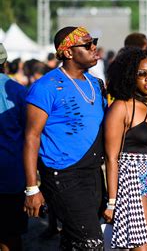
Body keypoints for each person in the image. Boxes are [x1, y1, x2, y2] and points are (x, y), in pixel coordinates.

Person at [23, 26, 107, 250]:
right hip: (63, 175)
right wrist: (32, 188)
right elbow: (31, 137)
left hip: (93, 173)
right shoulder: (45, 87)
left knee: (74, 241)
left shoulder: (96, 85)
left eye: (94, 41)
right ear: (68, 52)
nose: (94, 48)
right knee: (91, 242)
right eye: (87, 44)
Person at [103, 48, 147, 249]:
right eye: (141, 73)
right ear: (129, 76)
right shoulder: (121, 107)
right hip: (132, 180)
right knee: (141, 246)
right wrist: (112, 202)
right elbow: (111, 157)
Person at [0, 44, 28, 251]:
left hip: (10, 175)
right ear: (5, 63)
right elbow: (31, 134)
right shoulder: (19, 91)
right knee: (10, 236)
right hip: (11, 176)